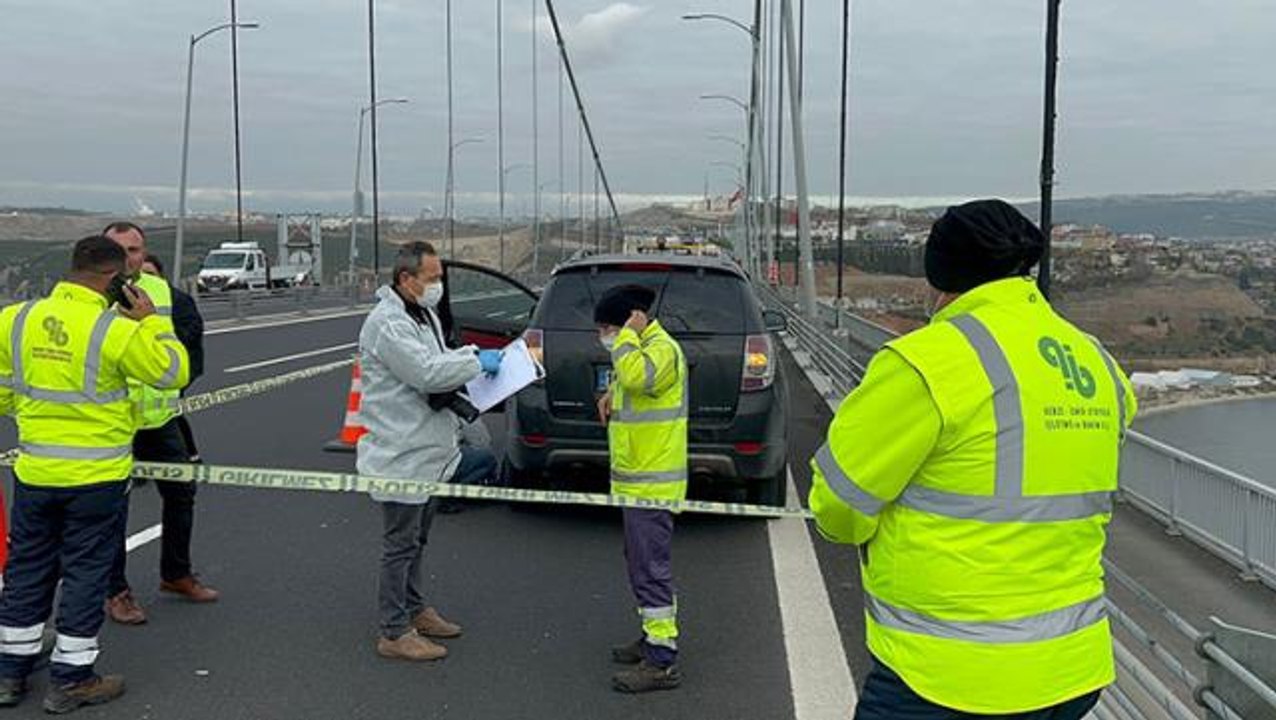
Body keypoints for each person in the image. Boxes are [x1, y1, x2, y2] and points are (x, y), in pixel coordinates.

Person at [807, 199, 1137, 720]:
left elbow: (838, 508)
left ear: (939, 274)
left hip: (948, 678)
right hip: (1072, 668)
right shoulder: (1095, 360)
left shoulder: (927, 362)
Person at [0, 236, 188, 713]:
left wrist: (30, 415)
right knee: (86, 571)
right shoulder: (114, 329)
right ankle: (71, 677)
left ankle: (9, 674)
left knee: (26, 568)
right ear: (114, 280)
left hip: (35, 469)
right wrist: (151, 322)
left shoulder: (15, 319)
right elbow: (172, 371)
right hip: (95, 478)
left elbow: (3, 390)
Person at [357, 241, 501, 662]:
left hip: (429, 448)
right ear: (407, 279)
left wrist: (469, 358)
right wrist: (477, 360)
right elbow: (425, 372)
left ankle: (416, 609)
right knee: (400, 544)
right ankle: (394, 629)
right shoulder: (387, 323)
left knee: (417, 540)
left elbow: (437, 359)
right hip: (401, 451)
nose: (439, 285)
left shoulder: (421, 314)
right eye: (433, 278)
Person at [101, 223, 216, 627]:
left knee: (182, 494)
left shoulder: (172, 299)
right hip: (111, 424)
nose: (128, 257)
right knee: (113, 508)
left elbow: (191, 359)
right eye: (118, 250)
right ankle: (116, 591)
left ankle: (176, 574)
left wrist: (167, 384)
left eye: (134, 249)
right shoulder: (91, 303)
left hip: (160, 419)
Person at [594, 284, 688, 694]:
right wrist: (611, 394)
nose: (607, 336)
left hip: (654, 483)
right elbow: (633, 385)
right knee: (639, 562)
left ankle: (662, 659)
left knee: (650, 569)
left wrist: (629, 334)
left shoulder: (660, 349)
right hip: (638, 480)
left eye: (608, 327)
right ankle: (652, 637)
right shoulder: (645, 349)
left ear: (632, 319)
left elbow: (637, 373)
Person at [140, 254, 204, 464]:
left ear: (160, 275)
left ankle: (190, 455)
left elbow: (193, 329)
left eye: (150, 273)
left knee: (171, 413)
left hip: (180, 365)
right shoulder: (134, 300)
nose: (146, 278)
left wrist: (165, 338)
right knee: (144, 415)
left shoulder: (177, 299)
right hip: (150, 364)